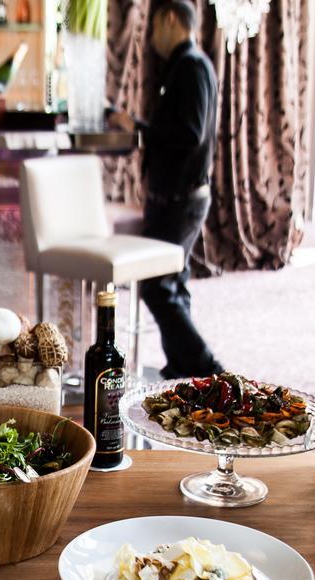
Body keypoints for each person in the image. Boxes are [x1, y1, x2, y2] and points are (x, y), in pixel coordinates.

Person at [108, 0, 223, 379]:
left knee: (158, 287)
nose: (152, 37)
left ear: (170, 19)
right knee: (172, 284)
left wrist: (138, 127)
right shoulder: (188, 66)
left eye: (154, 27)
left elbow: (189, 134)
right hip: (179, 198)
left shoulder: (190, 66)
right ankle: (184, 370)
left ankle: (205, 367)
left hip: (181, 200)